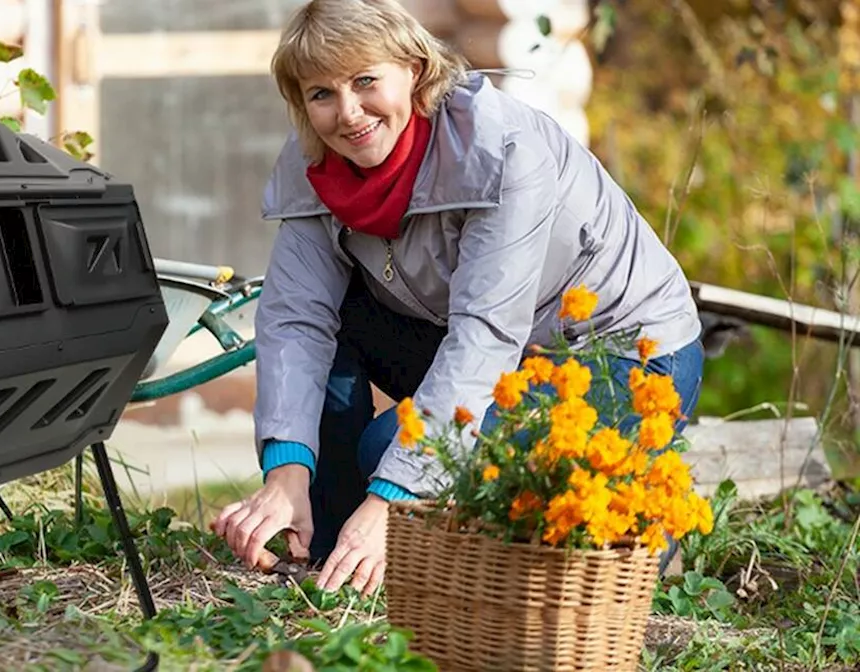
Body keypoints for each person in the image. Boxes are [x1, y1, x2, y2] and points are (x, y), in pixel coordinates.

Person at [210, 0, 705, 597]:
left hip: (618, 355)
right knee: (331, 320)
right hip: (488, 348)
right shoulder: (318, 164)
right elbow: (295, 320)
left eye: (366, 81)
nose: (348, 113)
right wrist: (286, 471)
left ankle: (638, 499)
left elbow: (485, 332)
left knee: (387, 450)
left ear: (415, 70)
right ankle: (329, 547)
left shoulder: (500, 149)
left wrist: (392, 493)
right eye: (321, 94)